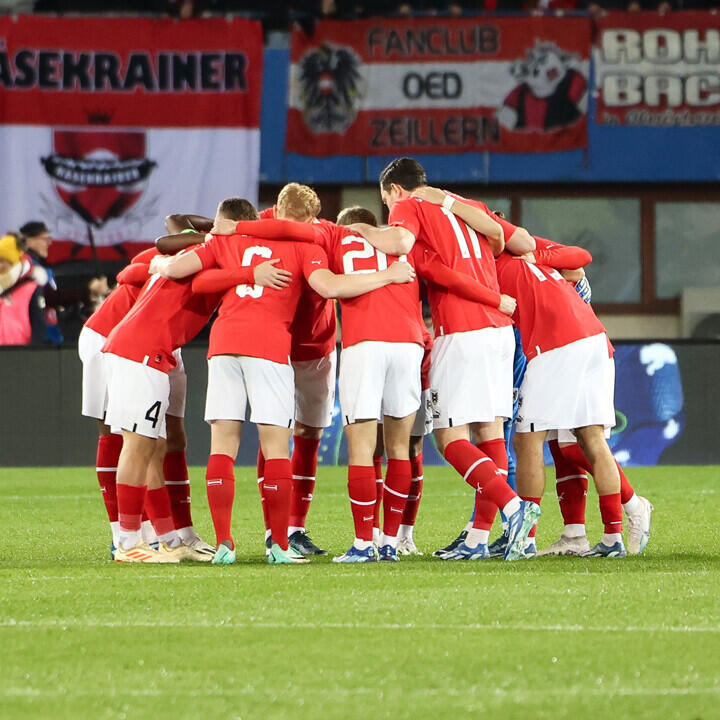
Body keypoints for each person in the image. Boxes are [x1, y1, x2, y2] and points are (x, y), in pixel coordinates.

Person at [153, 209, 415, 565]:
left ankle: (226, 543)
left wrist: (167, 265)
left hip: (225, 343)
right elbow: (329, 286)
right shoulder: (307, 242)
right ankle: (279, 542)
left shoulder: (229, 238)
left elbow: (195, 279)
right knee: (278, 444)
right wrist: (390, 274)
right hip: (273, 346)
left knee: (223, 445)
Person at [347, 157, 539, 561]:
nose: (389, 212)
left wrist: (364, 229)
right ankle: (478, 541)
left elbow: (401, 244)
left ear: (394, 190)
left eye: (386, 202)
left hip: (464, 330)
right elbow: (522, 242)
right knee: (490, 433)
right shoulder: (467, 206)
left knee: (450, 438)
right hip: (500, 333)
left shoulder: (408, 205)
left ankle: (513, 507)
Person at [102, 198, 289, 563]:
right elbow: (188, 274)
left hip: (152, 351)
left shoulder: (214, 249)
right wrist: (247, 272)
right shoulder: (212, 246)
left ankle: (167, 537)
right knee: (138, 445)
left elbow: (183, 269)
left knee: (155, 447)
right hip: (139, 350)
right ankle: (127, 542)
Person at [0, 234, 46, 346]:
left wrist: (32, 357)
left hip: (21, 356)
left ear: (13, 262)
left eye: (2, 261)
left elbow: (39, 327)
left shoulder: (31, 288)